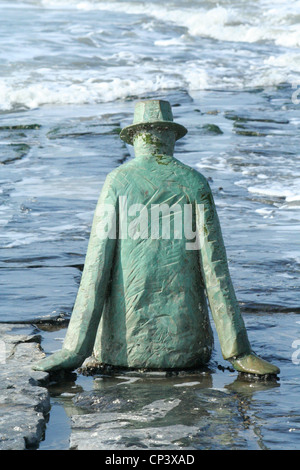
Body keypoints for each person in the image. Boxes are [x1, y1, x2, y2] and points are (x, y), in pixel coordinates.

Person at [33, 100, 280, 376]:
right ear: (171, 137)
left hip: (121, 348)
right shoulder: (194, 182)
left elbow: (96, 268)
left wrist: (75, 351)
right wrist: (239, 352)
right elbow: (215, 271)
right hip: (187, 348)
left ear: (135, 138)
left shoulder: (118, 181)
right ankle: (237, 350)